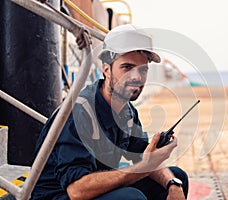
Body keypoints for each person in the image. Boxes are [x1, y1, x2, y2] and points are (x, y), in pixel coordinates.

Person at [31, 24, 188, 200]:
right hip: (58, 195)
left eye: (142, 69)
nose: (136, 77)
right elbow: (77, 191)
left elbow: (142, 156)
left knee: (176, 178)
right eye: (127, 67)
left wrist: (172, 183)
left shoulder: (127, 112)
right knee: (131, 198)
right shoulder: (80, 112)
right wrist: (144, 166)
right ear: (106, 69)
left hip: (93, 187)